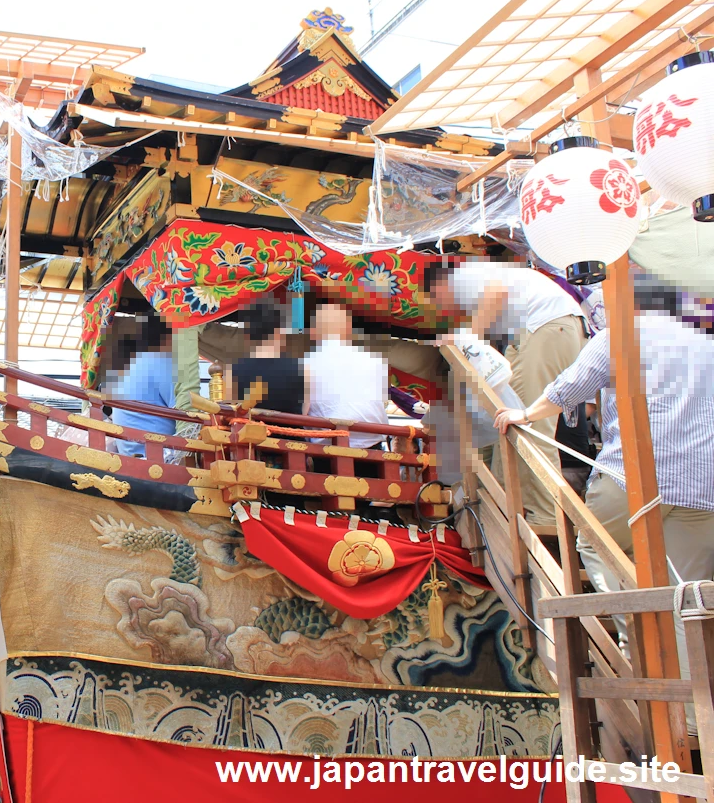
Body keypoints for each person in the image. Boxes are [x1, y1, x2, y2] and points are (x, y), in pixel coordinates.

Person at [494, 277, 714, 734]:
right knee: (685, 594)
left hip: (633, 478)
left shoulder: (623, 335)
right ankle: (692, 717)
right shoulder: (706, 345)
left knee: (598, 550)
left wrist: (524, 414)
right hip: (703, 488)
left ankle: (638, 656)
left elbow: (570, 386)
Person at [426, 260, 587, 524]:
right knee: (514, 422)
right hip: (555, 328)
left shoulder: (464, 277)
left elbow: (495, 292)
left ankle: (544, 514)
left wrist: (463, 337)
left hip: (543, 328)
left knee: (526, 424)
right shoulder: (501, 282)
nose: (441, 304)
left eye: (435, 297)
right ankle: (518, 509)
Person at [303, 303, 388, 449]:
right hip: (372, 443)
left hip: (326, 447)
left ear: (312, 331)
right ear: (349, 329)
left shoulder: (306, 362)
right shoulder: (375, 359)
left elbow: (303, 411)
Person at [106, 314, 176, 457]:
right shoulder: (163, 363)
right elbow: (188, 412)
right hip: (160, 457)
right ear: (170, 336)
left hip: (129, 456)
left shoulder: (129, 366)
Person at [229, 303, 309, 415]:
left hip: (250, 431)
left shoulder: (233, 370)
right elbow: (305, 410)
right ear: (278, 331)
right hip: (291, 431)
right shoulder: (301, 367)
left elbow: (232, 410)